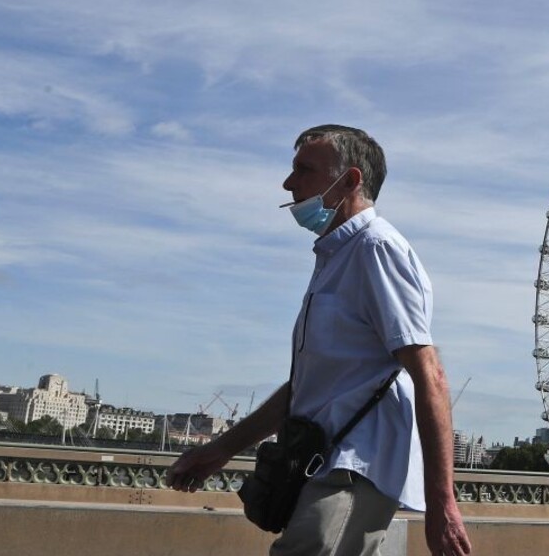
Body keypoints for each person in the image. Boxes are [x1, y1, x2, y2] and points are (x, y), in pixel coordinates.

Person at [166, 125, 471, 556]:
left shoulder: (376, 249)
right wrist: (219, 450)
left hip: (355, 463)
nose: (289, 183)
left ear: (349, 180)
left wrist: (443, 503)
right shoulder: (336, 258)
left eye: (303, 169)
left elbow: (429, 373)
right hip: (325, 460)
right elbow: (308, 388)